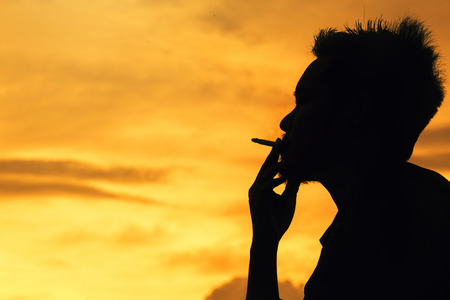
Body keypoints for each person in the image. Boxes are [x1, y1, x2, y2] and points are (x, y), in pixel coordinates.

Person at [246, 17, 450, 300]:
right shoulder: (404, 204)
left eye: (303, 101)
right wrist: (266, 242)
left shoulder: (383, 233)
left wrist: (263, 246)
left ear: (356, 112)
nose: (285, 122)